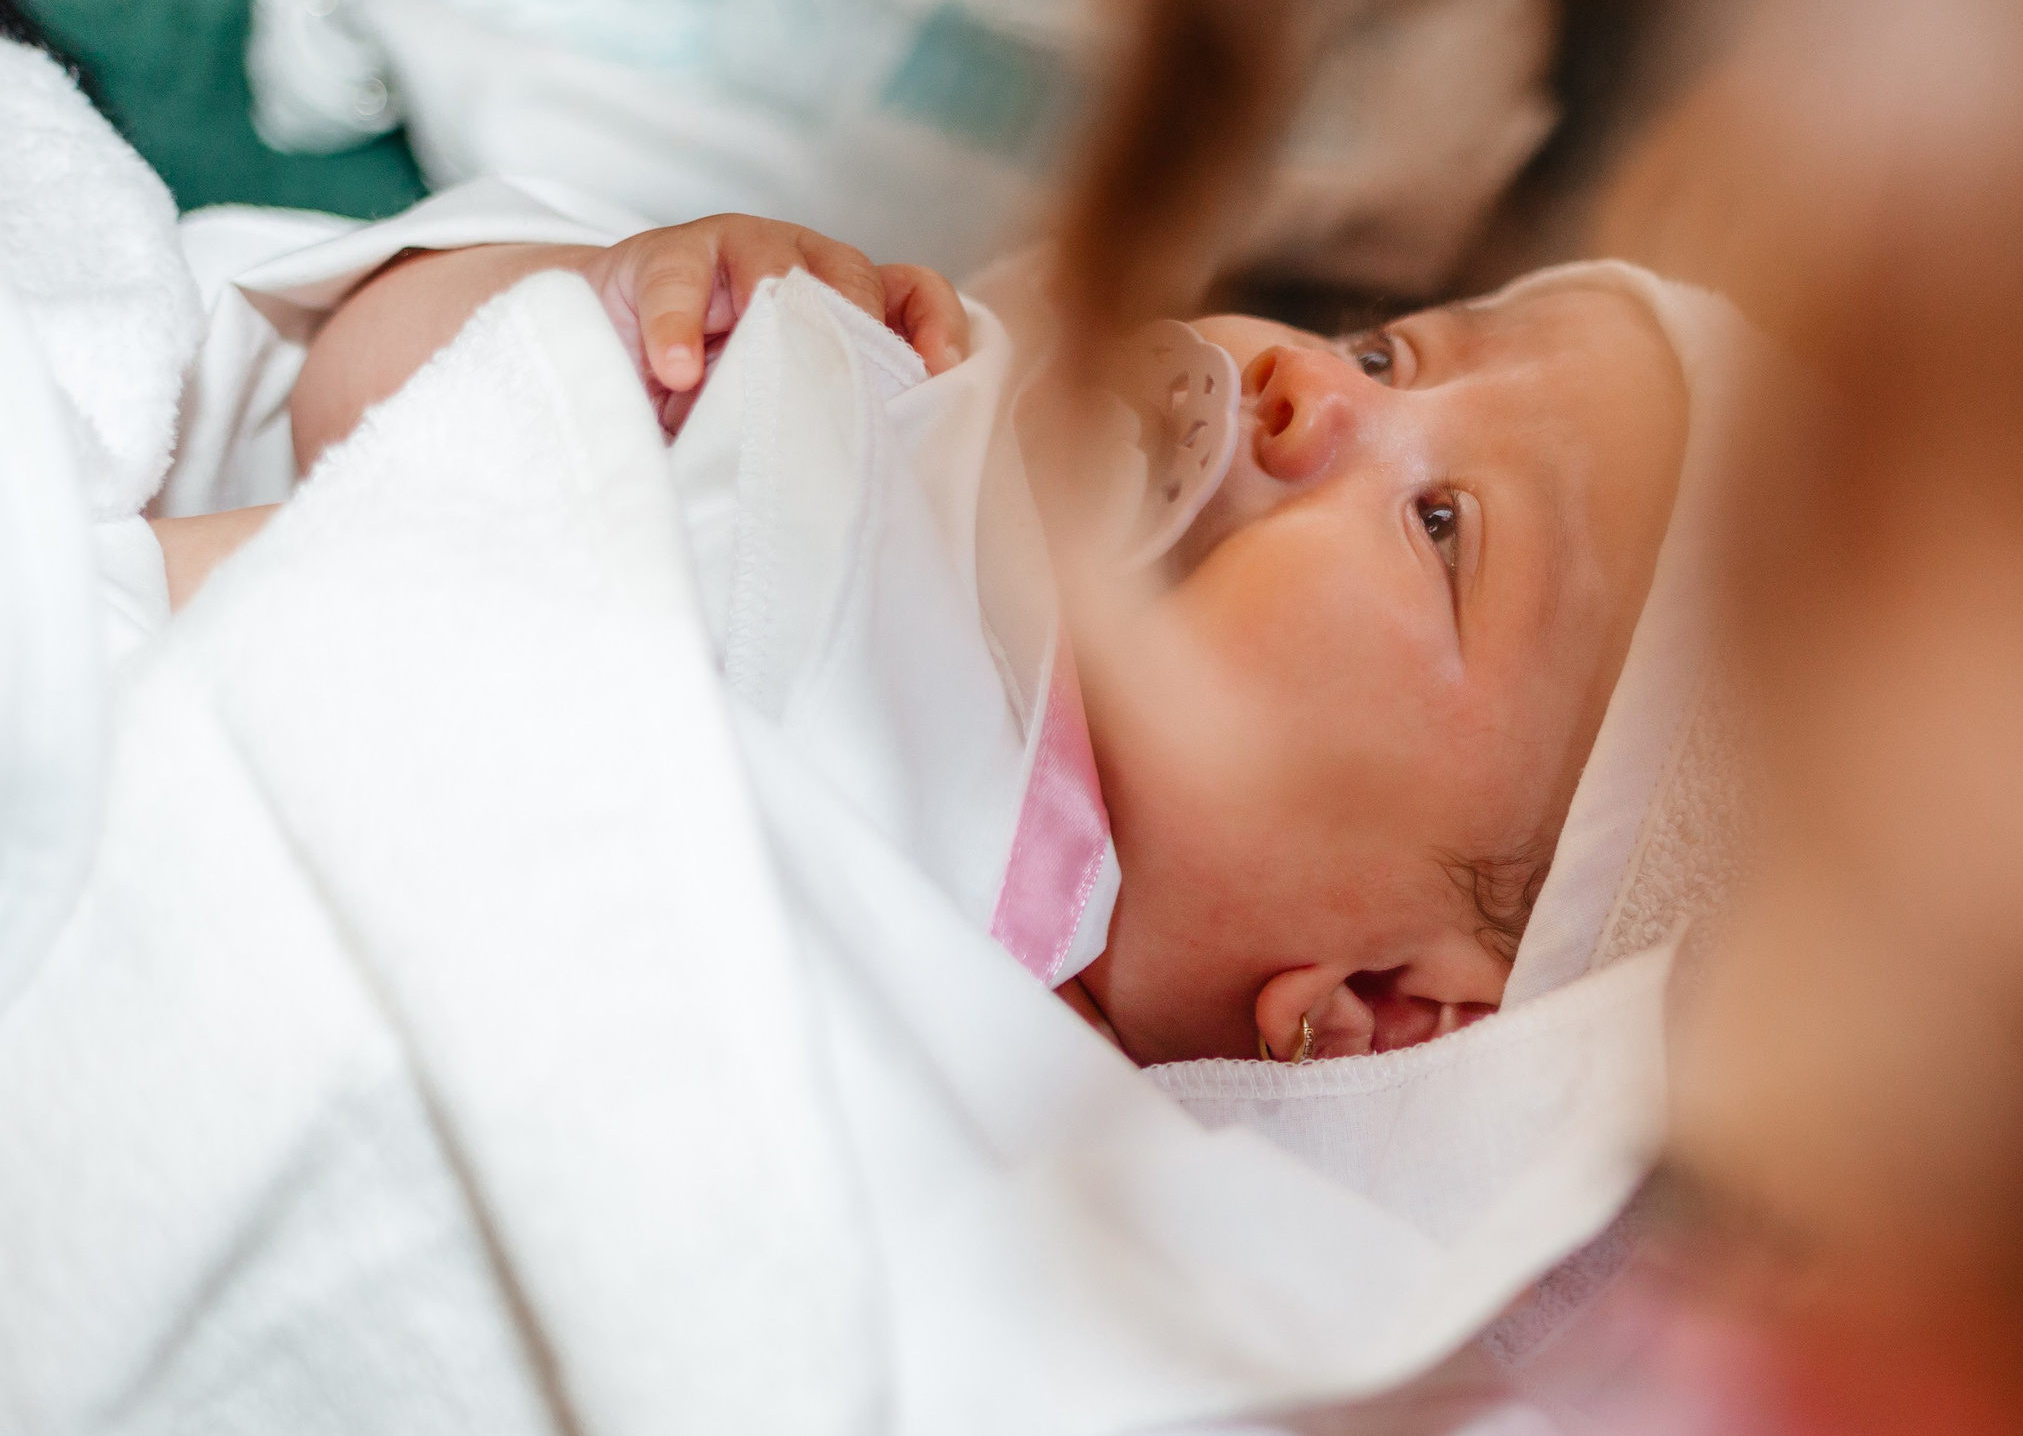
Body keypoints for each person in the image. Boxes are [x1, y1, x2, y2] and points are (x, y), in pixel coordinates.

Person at [136, 182, 1705, 1068]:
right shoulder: (913, 414)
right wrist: (608, 314)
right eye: (1391, 353)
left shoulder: (1084, 1206)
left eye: (1444, 527)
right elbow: (348, 388)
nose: (1316, 387)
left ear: (1379, 1011)